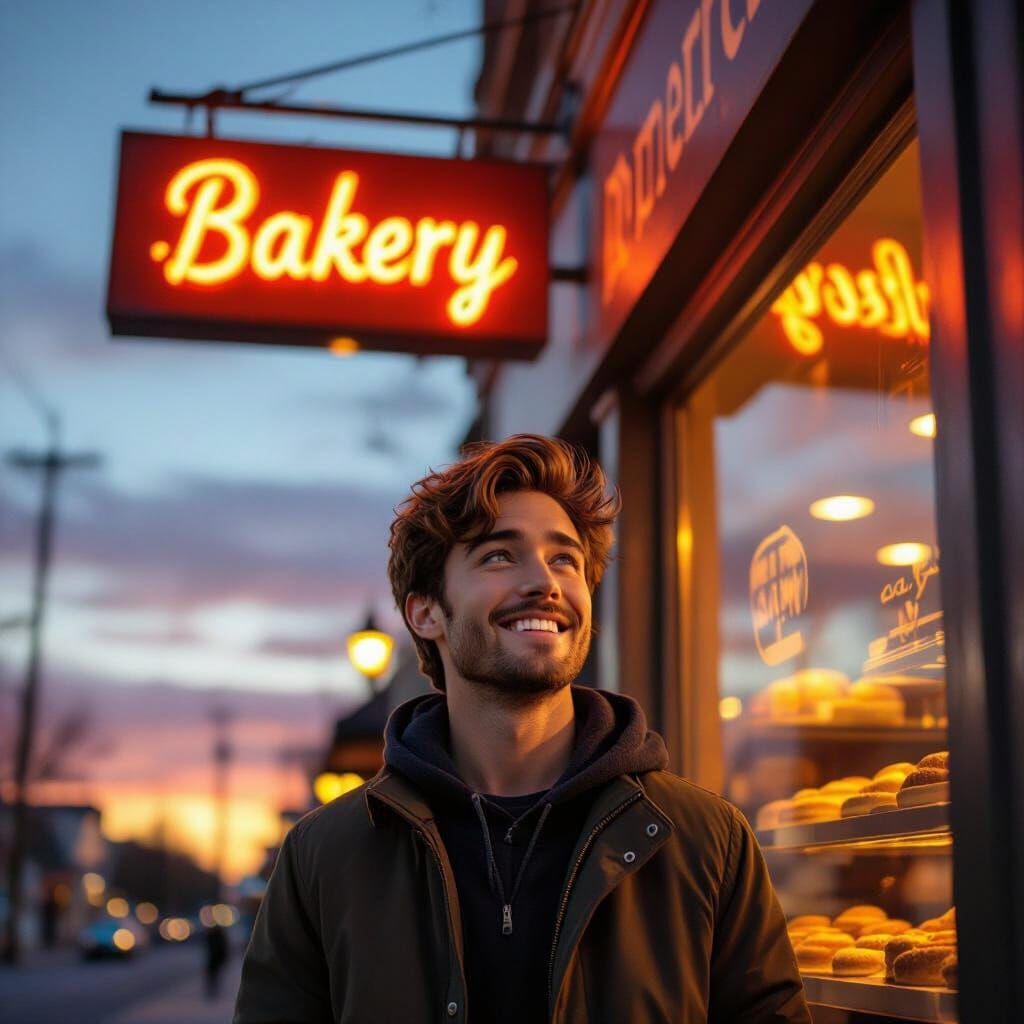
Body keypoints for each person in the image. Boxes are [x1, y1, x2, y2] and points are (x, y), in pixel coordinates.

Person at [234, 434, 810, 1024]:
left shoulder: (708, 840)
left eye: (565, 559)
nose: (545, 582)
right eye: (499, 556)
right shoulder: (324, 854)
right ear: (425, 612)